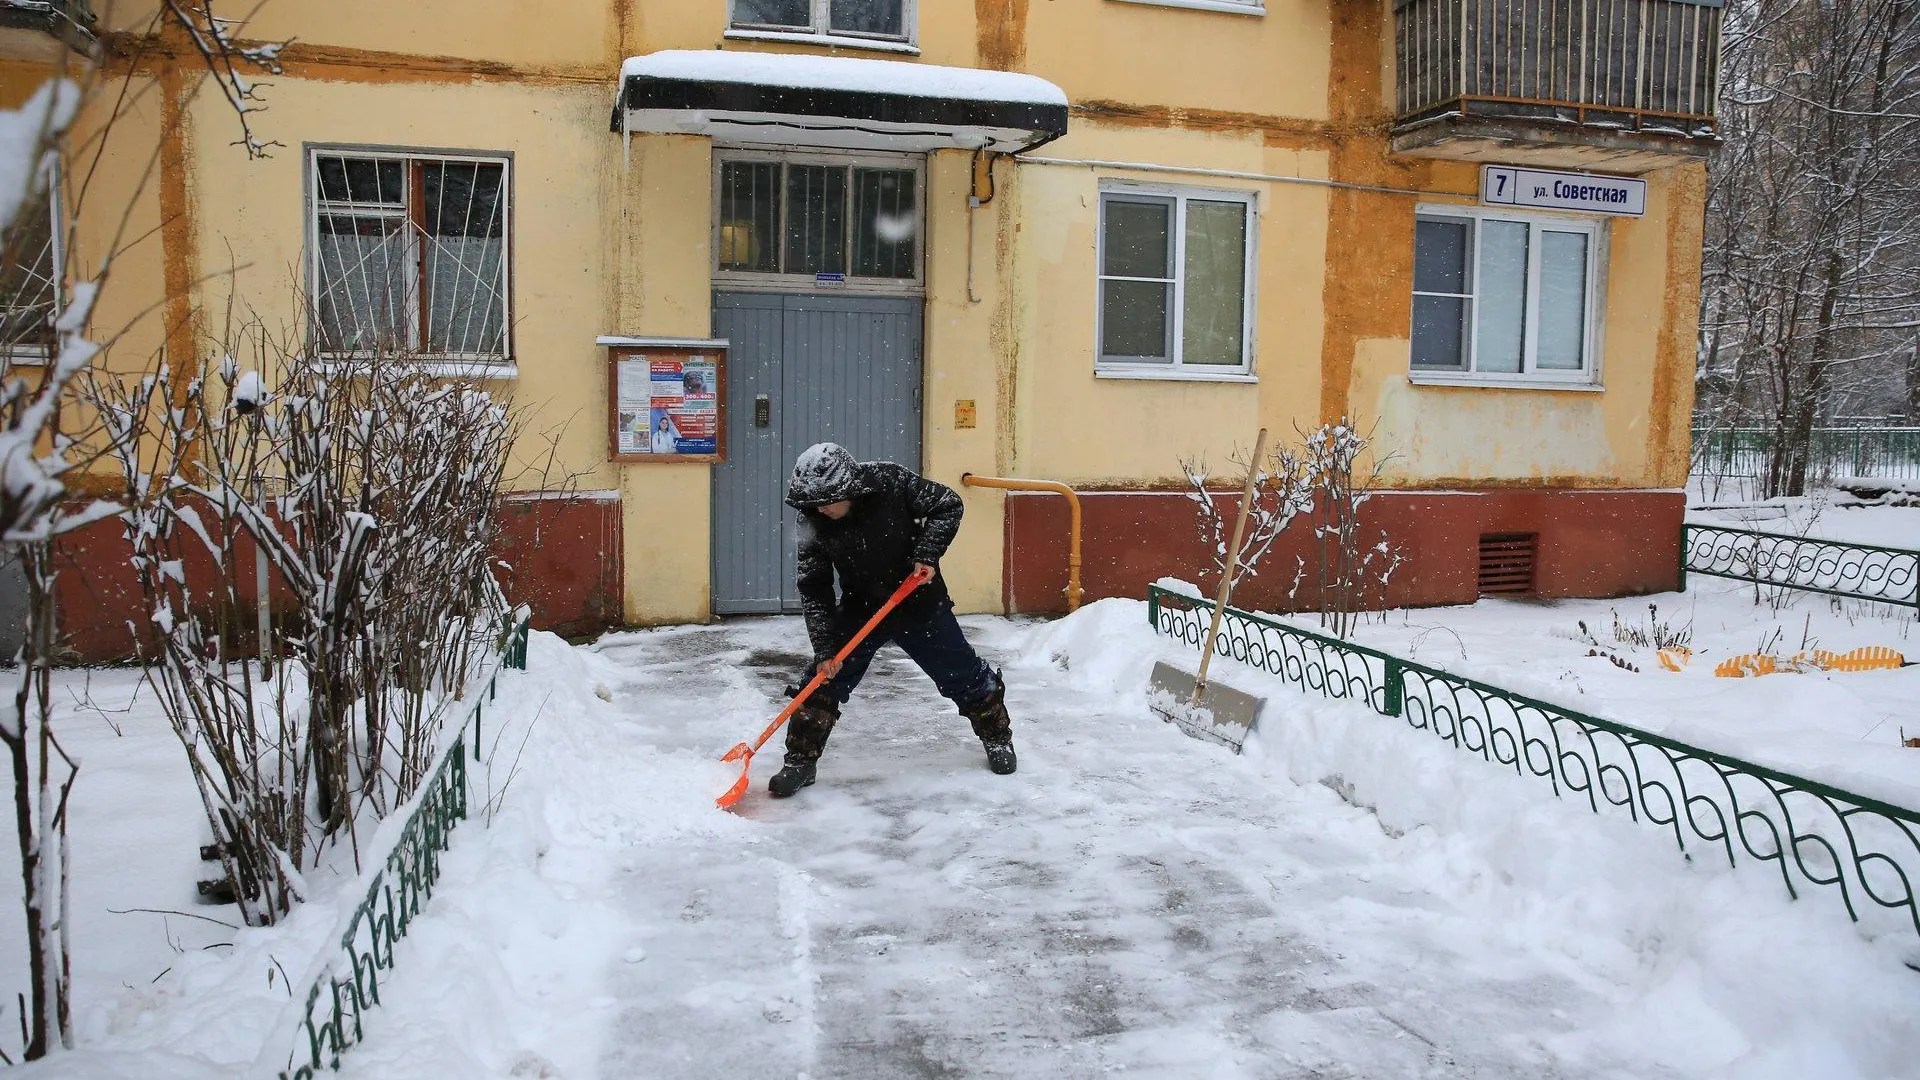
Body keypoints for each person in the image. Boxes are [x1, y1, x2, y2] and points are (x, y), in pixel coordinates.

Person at [770, 443, 1017, 798]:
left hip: (917, 601)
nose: (821, 509)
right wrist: (825, 649)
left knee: (961, 674)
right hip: (862, 607)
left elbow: (948, 504)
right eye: (814, 503)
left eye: (828, 500)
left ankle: (997, 737)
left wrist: (927, 554)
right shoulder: (812, 519)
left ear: (849, 489)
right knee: (823, 682)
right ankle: (800, 760)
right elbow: (814, 587)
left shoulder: (890, 482)